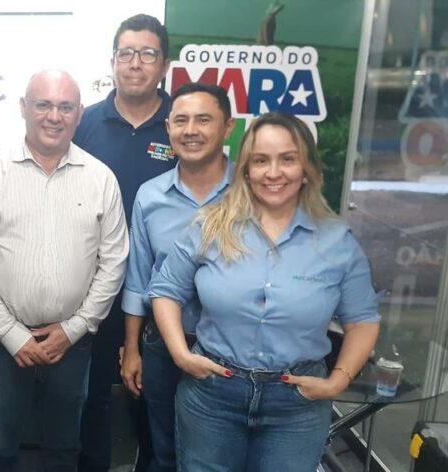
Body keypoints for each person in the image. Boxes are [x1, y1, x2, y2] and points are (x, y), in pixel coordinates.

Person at [148, 113, 381, 471]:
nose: (273, 173)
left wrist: (338, 381)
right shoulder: (210, 226)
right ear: (246, 170)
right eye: (260, 161)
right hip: (212, 396)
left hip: (297, 404)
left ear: (306, 168)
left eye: (287, 159)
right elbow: (165, 289)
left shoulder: (337, 242)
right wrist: (180, 354)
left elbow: (362, 320)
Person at [0, 70, 129, 472]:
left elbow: (114, 261)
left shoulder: (101, 178)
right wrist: (12, 334)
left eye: (65, 107)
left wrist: (75, 328)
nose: (54, 116)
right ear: (23, 107)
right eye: (43, 105)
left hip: (71, 343)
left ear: (79, 114)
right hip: (2, 342)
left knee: (64, 448)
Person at [72, 13, 175, 472]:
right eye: (126, 53)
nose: (136, 63)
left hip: (163, 293)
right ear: (112, 61)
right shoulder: (85, 123)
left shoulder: (182, 122)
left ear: (164, 65)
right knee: (91, 396)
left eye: (148, 53)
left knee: (155, 398)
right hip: (94, 288)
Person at [121, 82, 235, 472]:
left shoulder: (252, 192)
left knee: (221, 458)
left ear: (227, 127)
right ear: (168, 128)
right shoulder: (150, 195)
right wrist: (132, 349)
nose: (191, 131)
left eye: (204, 120)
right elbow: (138, 278)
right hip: (162, 350)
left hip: (233, 350)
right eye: (181, 121)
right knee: (165, 452)